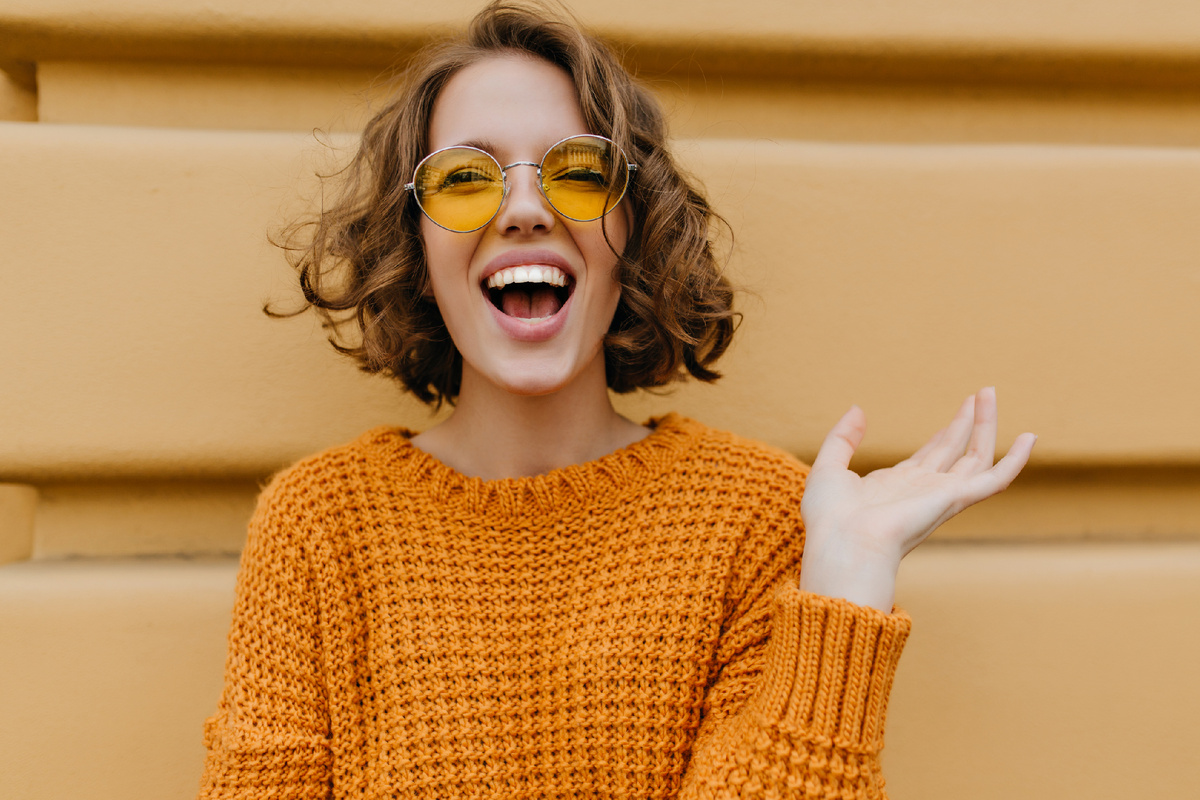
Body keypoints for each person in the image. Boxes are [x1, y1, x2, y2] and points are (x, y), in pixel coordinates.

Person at [197, 2, 1036, 798]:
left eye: (577, 171)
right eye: (464, 178)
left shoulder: (760, 522)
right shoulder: (318, 527)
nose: (525, 209)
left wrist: (844, 592)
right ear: (414, 243)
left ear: (634, 228)